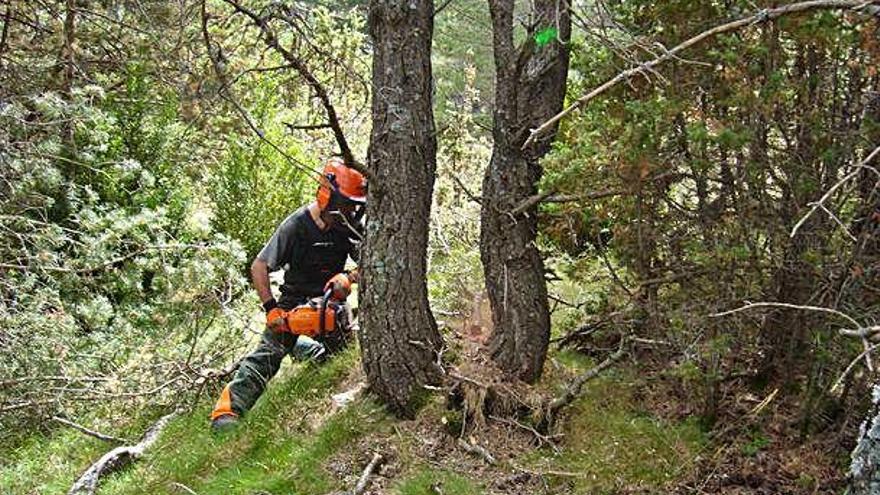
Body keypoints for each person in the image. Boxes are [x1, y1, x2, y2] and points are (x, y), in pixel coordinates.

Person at [210, 157, 366, 430]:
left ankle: (310, 351)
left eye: (353, 206)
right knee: (267, 354)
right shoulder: (296, 225)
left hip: (331, 302)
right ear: (327, 194)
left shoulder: (350, 227)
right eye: (345, 204)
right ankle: (227, 412)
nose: (349, 211)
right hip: (293, 301)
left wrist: (349, 277)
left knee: (339, 354)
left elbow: (373, 264)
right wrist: (272, 309)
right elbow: (259, 266)